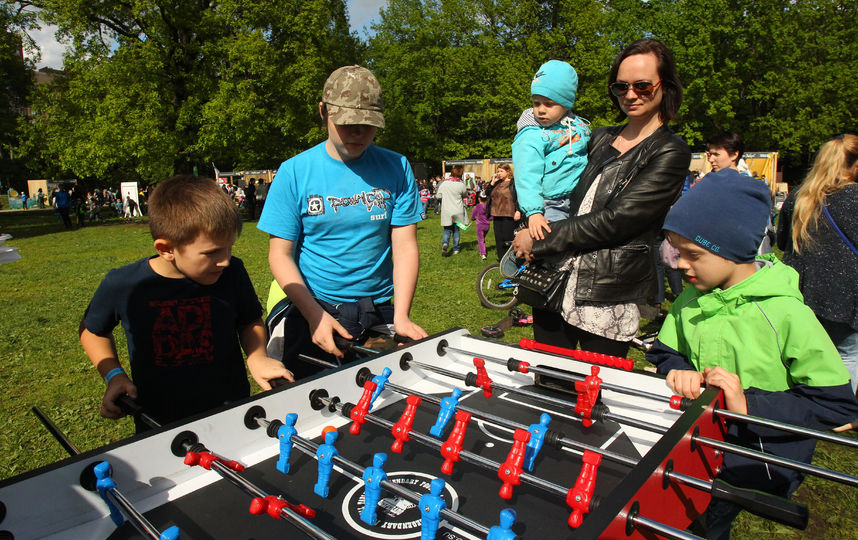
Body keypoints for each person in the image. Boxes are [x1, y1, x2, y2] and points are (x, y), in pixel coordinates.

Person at [647, 168, 858, 538]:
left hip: (753, 458)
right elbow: (665, 351)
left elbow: (837, 407)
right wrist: (678, 369)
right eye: (678, 252)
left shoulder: (787, 314)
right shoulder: (688, 300)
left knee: (711, 522)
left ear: (731, 249)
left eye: (692, 254)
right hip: (691, 448)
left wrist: (749, 405)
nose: (679, 264)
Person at [512, 38, 690, 356]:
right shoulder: (597, 136)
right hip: (555, 280)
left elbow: (616, 222)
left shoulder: (670, 151)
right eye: (620, 87)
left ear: (666, 86)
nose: (630, 94)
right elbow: (539, 173)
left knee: (593, 390)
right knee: (548, 379)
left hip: (610, 291)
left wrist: (539, 239)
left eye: (643, 85)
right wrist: (530, 215)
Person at [80, 175, 293, 432]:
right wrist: (114, 375)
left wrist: (258, 356)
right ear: (166, 249)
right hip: (160, 421)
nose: (225, 260)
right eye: (212, 252)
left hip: (232, 411)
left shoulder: (232, 272)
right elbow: (93, 331)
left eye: (229, 249)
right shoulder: (124, 284)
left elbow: (249, 321)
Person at [258, 65, 427, 380]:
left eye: (367, 124)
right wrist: (314, 315)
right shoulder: (294, 172)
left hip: (380, 309)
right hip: (315, 307)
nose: (358, 133)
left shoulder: (397, 167)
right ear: (323, 112)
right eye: (348, 123)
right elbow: (279, 254)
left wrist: (401, 316)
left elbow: (404, 246)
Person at [777, 134, 858, 396]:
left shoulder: (799, 197)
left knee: (807, 351)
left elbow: (781, 241)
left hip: (803, 290)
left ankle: (808, 401)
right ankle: (839, 410)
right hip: (847, 295)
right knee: (848, 354)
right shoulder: (854, 198)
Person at [512, 60, 590, 240]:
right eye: (536, 103)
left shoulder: (577, 126)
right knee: (552, 243)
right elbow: (527, 175)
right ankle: (533, 261)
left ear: (566, 103)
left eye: (548, 104)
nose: (540, 111)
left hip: (579, 197)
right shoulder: (532, 134)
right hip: (552, 203)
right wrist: (534, 212)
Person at [484, 163, 520, 261]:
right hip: (497, 214)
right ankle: (501, 259)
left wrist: (518, 210)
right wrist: (492, 182)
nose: (499, 173)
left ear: (508, 171)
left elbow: (519, 197)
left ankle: (511, 259)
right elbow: (487, 194)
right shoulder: (497, 183)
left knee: (508, 238)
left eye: (501, 171)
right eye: (498, 171)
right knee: (499, 238)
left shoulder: (514, 183)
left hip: (509, 214)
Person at [436, 165, 468, 256]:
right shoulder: (461, 184)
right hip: (458, 210)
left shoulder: (444, 183)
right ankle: (456, 249)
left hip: (447, 210)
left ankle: (445, 243)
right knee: (457, 230)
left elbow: (438, 196)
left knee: (447, 229)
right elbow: (465, 195)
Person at [471, 191, 492, 260]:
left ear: (479, 198)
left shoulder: (477, 207)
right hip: (487, 226)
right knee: (482, 239)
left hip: (480, 226)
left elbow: (472, 216)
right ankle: (480, 250)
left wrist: (473, 218)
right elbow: (491, 217)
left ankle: (483, 253)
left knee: (480, 240)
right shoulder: (488, 207)